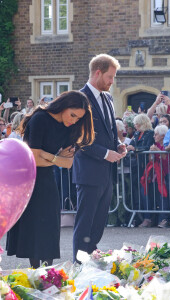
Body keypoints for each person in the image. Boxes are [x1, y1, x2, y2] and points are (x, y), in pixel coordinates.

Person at [6, 91, 95, 268]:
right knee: (33, 227)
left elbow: (68, 163)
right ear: (64, 105)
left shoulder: (70, 127)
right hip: (28, 179)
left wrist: (48, 157)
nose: (74, 120)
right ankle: (36, 271)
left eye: (78, 118)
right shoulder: (40, 118)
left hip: (47, 178)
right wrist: (55, 158)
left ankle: (47, 274)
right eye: (73, 115)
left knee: (49, 227)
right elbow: (32, 158)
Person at [72, 54, 126, 262]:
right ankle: (78, 264)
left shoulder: (108, 98)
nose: (112, 82)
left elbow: (110, 131)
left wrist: (118, 145)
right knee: (85, 221)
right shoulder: (79, 99)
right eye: (110, 77)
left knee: (98, 222)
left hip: (107, 172)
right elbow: (78, 138)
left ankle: (90, 260)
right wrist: (105, 153)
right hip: (88, 171)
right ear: (97, 73)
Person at [139, 124, 170, 228]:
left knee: (164, 196)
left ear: (163, 135)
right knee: (154, 195)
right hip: (156, 175)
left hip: (167, 173)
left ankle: (164, 218)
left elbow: (168, 159)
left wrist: (158, 151)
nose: (154, 136)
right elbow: (151, 160)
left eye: (156, 134)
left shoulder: (167, 145)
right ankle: (150, 218)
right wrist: (151, 153)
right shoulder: (156, 145)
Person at [126, 114, 154, 226]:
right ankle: (139, 217)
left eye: (137, 123)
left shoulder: (150, 133)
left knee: (145, 192)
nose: (135, 125)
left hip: (145, 166)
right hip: (136, 167)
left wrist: (135, 149)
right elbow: (131, 145)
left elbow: (148, 147)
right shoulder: (137, 133)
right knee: (137, 193)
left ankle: (147, 217)